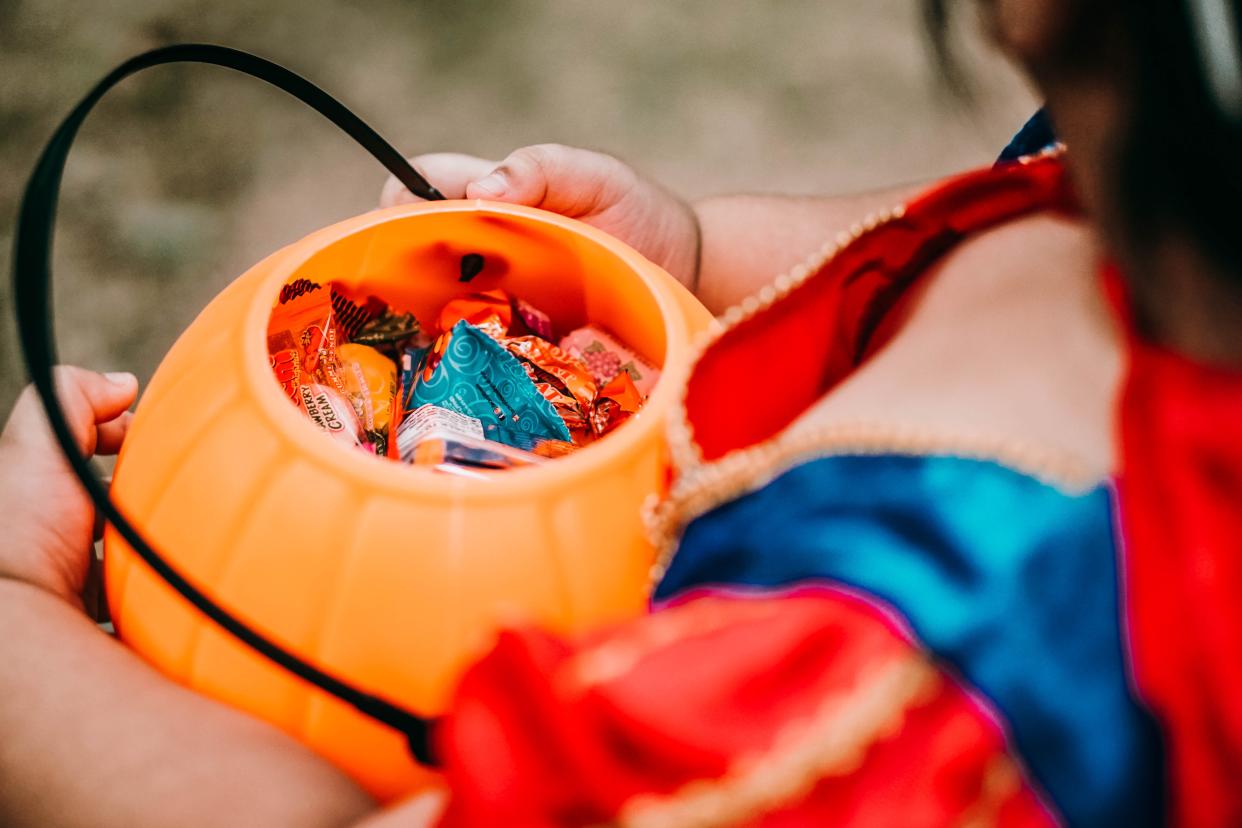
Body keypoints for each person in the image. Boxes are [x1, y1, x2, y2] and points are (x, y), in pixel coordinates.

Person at [3, 0, 1242, 825]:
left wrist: (19, 634)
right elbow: (975, 226)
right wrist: (698, 250)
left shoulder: (881, 702)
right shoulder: (1161, 187)